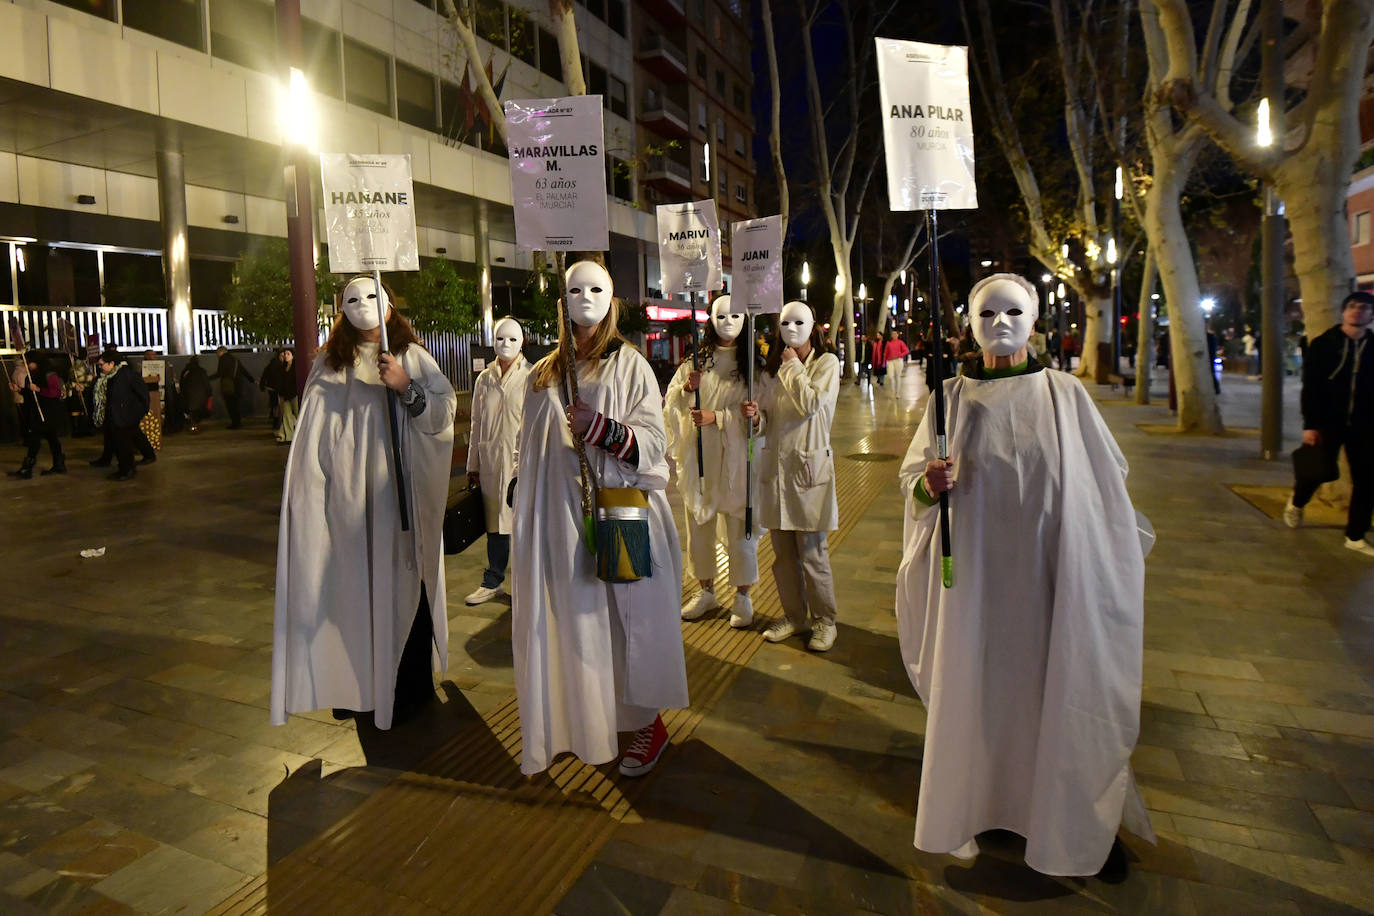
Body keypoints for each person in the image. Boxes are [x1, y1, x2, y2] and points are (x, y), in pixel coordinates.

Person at [895, 273, 1153, 879]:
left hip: (1050, 584)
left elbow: (1102, 484)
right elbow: (914, 487)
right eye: (988, 314)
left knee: (1058, 690)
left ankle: (1071, 818)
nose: (1002, 324)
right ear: (971, 324)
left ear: (1033, 322)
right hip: (976, 591)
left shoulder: (1065, 395)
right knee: (980, 690)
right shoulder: (947, 398)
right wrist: (928, 486)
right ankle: (983, 803)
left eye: (1014, 312)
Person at [510, 259, 688, 777]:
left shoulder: (628, 364)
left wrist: (603, 428)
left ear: (611, 300)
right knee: (576, 625)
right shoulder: (543, 372)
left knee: (626, 623)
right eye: (574, 289)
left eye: (595, 289)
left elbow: (655, 445)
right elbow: (529, 447)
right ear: (562, 300)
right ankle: (586, 721)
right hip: (558, 524)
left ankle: (647, 725)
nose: (584, 298)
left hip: (621, 513)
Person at [272, 276, 456, 730]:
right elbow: (313, 437)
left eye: (373, 297)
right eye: (351, 299)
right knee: (352, 592)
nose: (363, 306)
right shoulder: (330, 364)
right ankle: (356, 688)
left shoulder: (412, 356)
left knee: (402, 586)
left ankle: (407, 688)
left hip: (397, 506)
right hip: (347, 508)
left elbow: (443, 412)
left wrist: (406, 387)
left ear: (390, 308)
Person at [742, 301, 841, 652]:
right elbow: (770, 420)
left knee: (813, 553)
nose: (792, 329)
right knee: (783, 556)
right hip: (777, 472)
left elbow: (811, 405)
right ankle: (795, 616)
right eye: (786, 322)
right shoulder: (772, 370)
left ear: (814, 326)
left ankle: (825, 620)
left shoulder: (825, 364)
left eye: (800, 322)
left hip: (808, 471)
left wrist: (794, 366)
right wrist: (756, 419)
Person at [669, 294, 759, 629]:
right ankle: (706, 590)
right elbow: (673, 403)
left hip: (736, 462)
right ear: (711, 318)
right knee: (699, 527)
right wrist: (686, 390)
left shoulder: (752, 363)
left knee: (740, 530)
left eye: (736, 315)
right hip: (701, 458)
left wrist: (721, 417)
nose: (729, 322)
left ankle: (743, 595)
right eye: (722, 315)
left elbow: (759, 418)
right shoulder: (698, 359)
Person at [1285, 290, 1374, 557]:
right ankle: (1298, 502)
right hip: (1327, 422)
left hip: (1366, 425)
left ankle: (1355, 535)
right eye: (1352, 306)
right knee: (1315, 472)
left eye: (1364, 307)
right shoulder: (1325, 343)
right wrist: (1310, 425)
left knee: (1368, 480)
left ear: (1371, 315)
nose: (1357, 311)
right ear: (1344, 311)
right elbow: (1310, 387)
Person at [464, 317, 531, 605]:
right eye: (500, 338)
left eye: (512, 339)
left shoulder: (532, 376)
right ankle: (493, 581)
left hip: (521, 463)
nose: (505, 345)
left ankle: (529, 585)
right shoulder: (484, 379)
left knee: (523, 524)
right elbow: (477, 422)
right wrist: (473, 465)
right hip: (491, 460)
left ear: (522, 342)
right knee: (495, 525)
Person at [94, 351, 150, 482]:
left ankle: (127, 470)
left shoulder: (127, 375)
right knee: (119, 445)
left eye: (102, 364)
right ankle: (124, 468)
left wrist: (136, 413)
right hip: (114, 417)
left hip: (125, 417)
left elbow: (143, 396)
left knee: (124, 446)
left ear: (111, 363)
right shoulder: (107, 377)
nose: (100, 367)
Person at [7, 353, 65, 479]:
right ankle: (55, 465)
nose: (28, 365)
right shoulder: (31, 375)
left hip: (48, 413)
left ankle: (31, 468)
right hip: (36, 413)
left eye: (29, 362)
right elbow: (29, 393)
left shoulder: (50, 375)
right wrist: (19, 389)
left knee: (44, 439)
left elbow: (55, 393)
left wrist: (39, 390)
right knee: (44, 439)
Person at [259, 348, 300, 444]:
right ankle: (289, 437)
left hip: (294, 394)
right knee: (286, 416)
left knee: (298, 414)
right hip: (285, 395)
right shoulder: (282, 367)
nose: (286, 356)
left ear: (293, 356)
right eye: (285, 354)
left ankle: (299, 434)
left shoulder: (296, 367)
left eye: (288, 354)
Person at [209, 346, 254, 429]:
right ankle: (237, 422)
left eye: (217, 354)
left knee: (230, 405)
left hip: (228, 386)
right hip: (237, 385)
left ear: (220, 352)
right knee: (235, 404)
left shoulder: (223, 359)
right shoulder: (235, 359)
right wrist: (252, 380)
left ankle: (234, 423)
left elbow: (220, 373)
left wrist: (208, 378)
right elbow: (243, 371)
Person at [180, 359, 211, 432]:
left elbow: (182, 383)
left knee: (191, 411)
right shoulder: (202, 371)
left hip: (189, 394)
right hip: (201, 394)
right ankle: (197, 425)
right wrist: (209, 393)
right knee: (199, 410)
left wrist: (182, 393)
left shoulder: (186, 371)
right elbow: (206, 383)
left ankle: (193, 425)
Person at [883, 328, 911, 395]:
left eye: (895, 334)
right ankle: (893, 391)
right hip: (890, 361)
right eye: (893, 334)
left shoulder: (900, 342)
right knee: (891, 376)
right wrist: (884, 362)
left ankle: (897, 393)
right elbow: (885, 353)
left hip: (898, 360)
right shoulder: (888, 343)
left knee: (898, 376)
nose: (894, 335)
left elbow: (906, 350)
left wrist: (900, 355)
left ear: (898, 335)